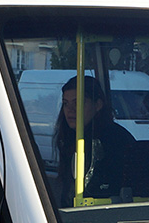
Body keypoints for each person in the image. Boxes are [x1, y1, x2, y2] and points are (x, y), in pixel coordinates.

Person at [53, 75, 135, 205]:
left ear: (97, 105)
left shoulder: (114, 140)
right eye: (65, 104)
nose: (70, 110)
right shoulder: (69, 137)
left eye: (78, 103)